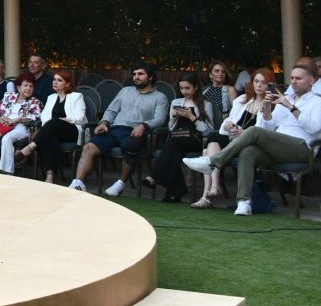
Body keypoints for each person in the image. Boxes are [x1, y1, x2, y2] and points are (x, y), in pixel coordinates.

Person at [184, 64, 321, 216]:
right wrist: (267, 109)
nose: (293, 81)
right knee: (248, 152)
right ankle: (244, 203)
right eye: (292, 78)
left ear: (311, 80)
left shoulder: (319, 102)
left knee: (253, 131)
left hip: (303, 148)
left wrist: (290, 107)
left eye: (298, 78)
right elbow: (269, 125)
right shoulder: (286, 99)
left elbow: (315, 127)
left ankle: (212, 162)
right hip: (279, 147)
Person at [69, 63, 169, 195]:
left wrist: (144, 125)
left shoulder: (160, 97)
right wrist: (104, 122)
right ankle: (78, 183)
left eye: (140, 74)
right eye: (134, 74)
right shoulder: (125, 91)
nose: (136, 77)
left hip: (136, 131)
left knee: (131, 145)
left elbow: (160, 119)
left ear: (150, 77)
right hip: (114, 129)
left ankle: (120, 183)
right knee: (89, 147)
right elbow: (111, 110)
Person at [190, 69, 267, 208]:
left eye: (264, 82)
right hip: (232, 138)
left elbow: (266, 130)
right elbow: (228, 122)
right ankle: (213, 187)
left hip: (249, 143)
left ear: (270, 85)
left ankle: (207, 195)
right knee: (211, 143)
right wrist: (229, 125)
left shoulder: (271, 105)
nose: (259, 85)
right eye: (256, 81)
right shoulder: (242, 100)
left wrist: (244, 132)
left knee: (207, 152)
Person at [143, 74, 210, 202]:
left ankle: (154, 176)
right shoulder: (176, 102)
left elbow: (208, 130)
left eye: (188, 88)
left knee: (171, 144)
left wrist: (192, 117)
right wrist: (173, 117)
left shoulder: (205, 104)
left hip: (197, 140)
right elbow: (171, 128)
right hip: (178, 137)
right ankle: (175, 192)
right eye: (181, 88)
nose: (184, 91)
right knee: (173, 152)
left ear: (196, 87)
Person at [24, 70, 87, 184]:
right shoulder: (51, 97)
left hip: (72, 130)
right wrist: (54, 123)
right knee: (52, 137)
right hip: (53, 131)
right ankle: (50, 175)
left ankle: (32, 145)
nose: (55, 82)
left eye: (59, 80)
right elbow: (44, 117)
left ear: (67, 84)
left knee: (54, 122)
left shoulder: (77, 96)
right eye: (54, 79)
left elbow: (80, 117)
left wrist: (64, 120)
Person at [0, 76, 41, 174]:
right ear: (18, 87)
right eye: (25, 85)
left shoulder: (34, 101)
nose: (28, 88)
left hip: (21, 127)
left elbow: (35, 116)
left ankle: (7, 172)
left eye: (31, 86)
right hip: (3, 124)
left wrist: (16, 119)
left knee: (7, 139)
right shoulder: (9, 97)